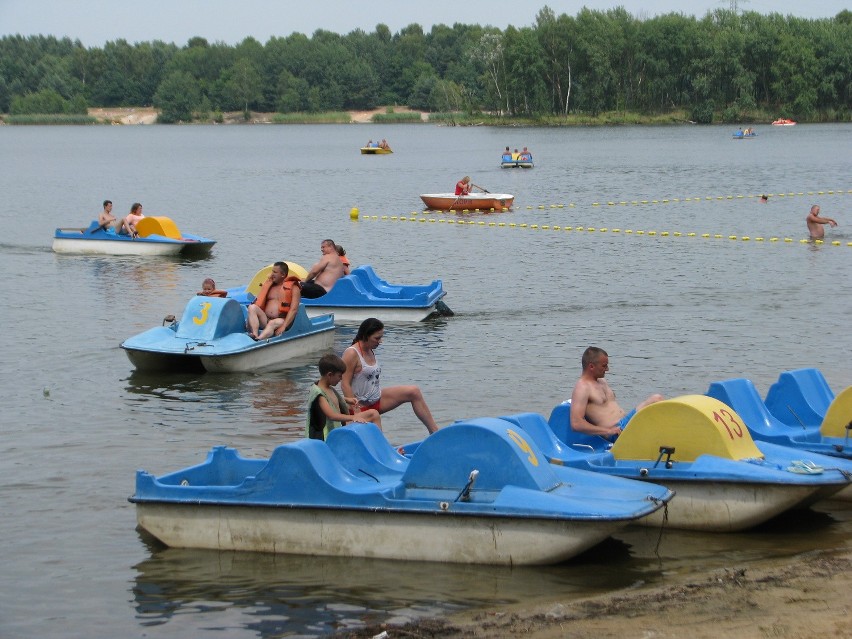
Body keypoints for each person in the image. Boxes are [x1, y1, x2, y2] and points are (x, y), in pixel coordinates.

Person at [341, 318, 440, 435]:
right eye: (377, 338)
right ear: (365, 336)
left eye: (381, 337)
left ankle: (435, 432)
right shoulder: (352, 353)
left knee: (414, 391)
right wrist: (356, 412)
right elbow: (344, 384)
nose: (380, 341)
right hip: (361, 408)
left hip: (377, 400)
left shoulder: (369, 349)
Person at [569, 346, 663, 438]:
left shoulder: (602, 381)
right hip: (615, 431)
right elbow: (576, 423)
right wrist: (608, 431)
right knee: (656, 399)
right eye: (604, 366)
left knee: (656, 404)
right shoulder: (582, 387)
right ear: (591, 366)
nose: (607, 369)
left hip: (625, 422)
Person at [306, 353, 382, 440]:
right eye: (339, 376)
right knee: (372, 415)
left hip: (338, 426)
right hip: (328, 435)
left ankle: (380, 444)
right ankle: (380, 446)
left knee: (374, 414)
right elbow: (331, 415)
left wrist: (346, 400)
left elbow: (331, 401)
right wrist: (353, 417)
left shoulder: (327, 387)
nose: (341, 379)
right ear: (330, 375)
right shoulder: (319, 395)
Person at [246, 261, 302, 340]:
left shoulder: (293, 288)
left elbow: (293, 310)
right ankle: (254, 334)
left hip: (281, 321)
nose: (272, 274)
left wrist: (283, 326)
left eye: (275, 272)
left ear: (282, 274)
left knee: (272, 323)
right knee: (252, 307)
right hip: (265, 319)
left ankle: (259, 339)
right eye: (272, 271)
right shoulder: (269, 284)